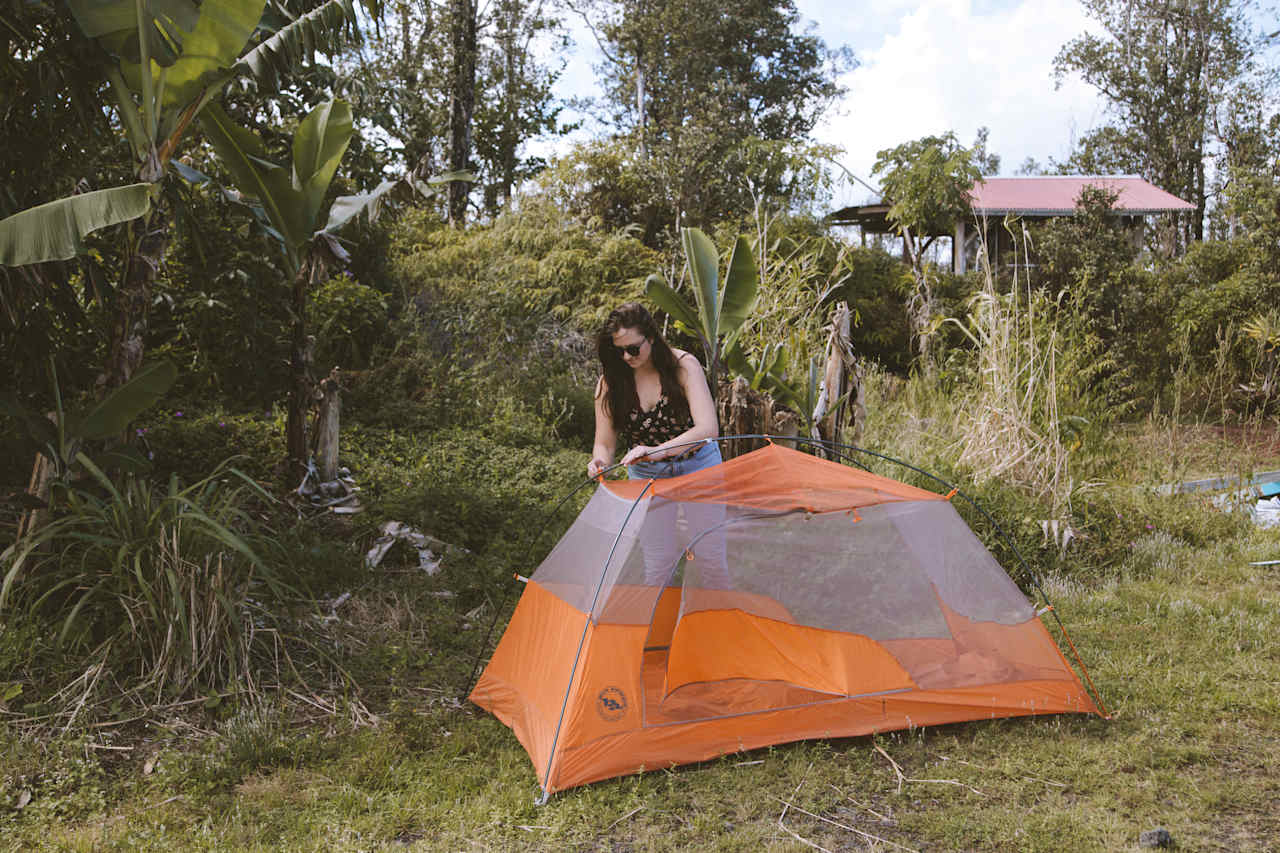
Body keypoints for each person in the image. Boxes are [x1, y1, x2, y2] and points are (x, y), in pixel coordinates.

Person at [587, 302, 729, 588]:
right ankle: (658, 631)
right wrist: (599, 461)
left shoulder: (682, 365)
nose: (627, 356)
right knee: (658, 560)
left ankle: (722, 624)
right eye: (619, 350)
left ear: (651, 337)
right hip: (647, 474)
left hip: (698, 463)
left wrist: (655, 451)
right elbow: (604, 443)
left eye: (633, 348)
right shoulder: (610, 384)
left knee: (710, 556)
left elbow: (707, 428)